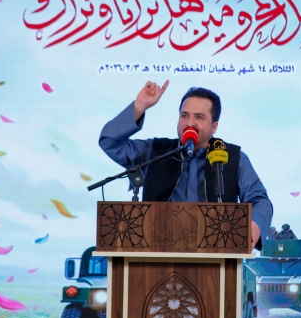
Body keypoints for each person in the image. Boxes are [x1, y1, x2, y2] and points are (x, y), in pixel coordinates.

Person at [99, 80, 273, 250]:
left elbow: (259, 199)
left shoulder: (233, 158)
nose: (189, 123)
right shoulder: (155, 152)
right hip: (157, 255)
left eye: (199, 117)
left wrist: (255, 223)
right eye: (184, 115)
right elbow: (110, 142)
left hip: (216, 259)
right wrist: (139, 106)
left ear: (214, 126)